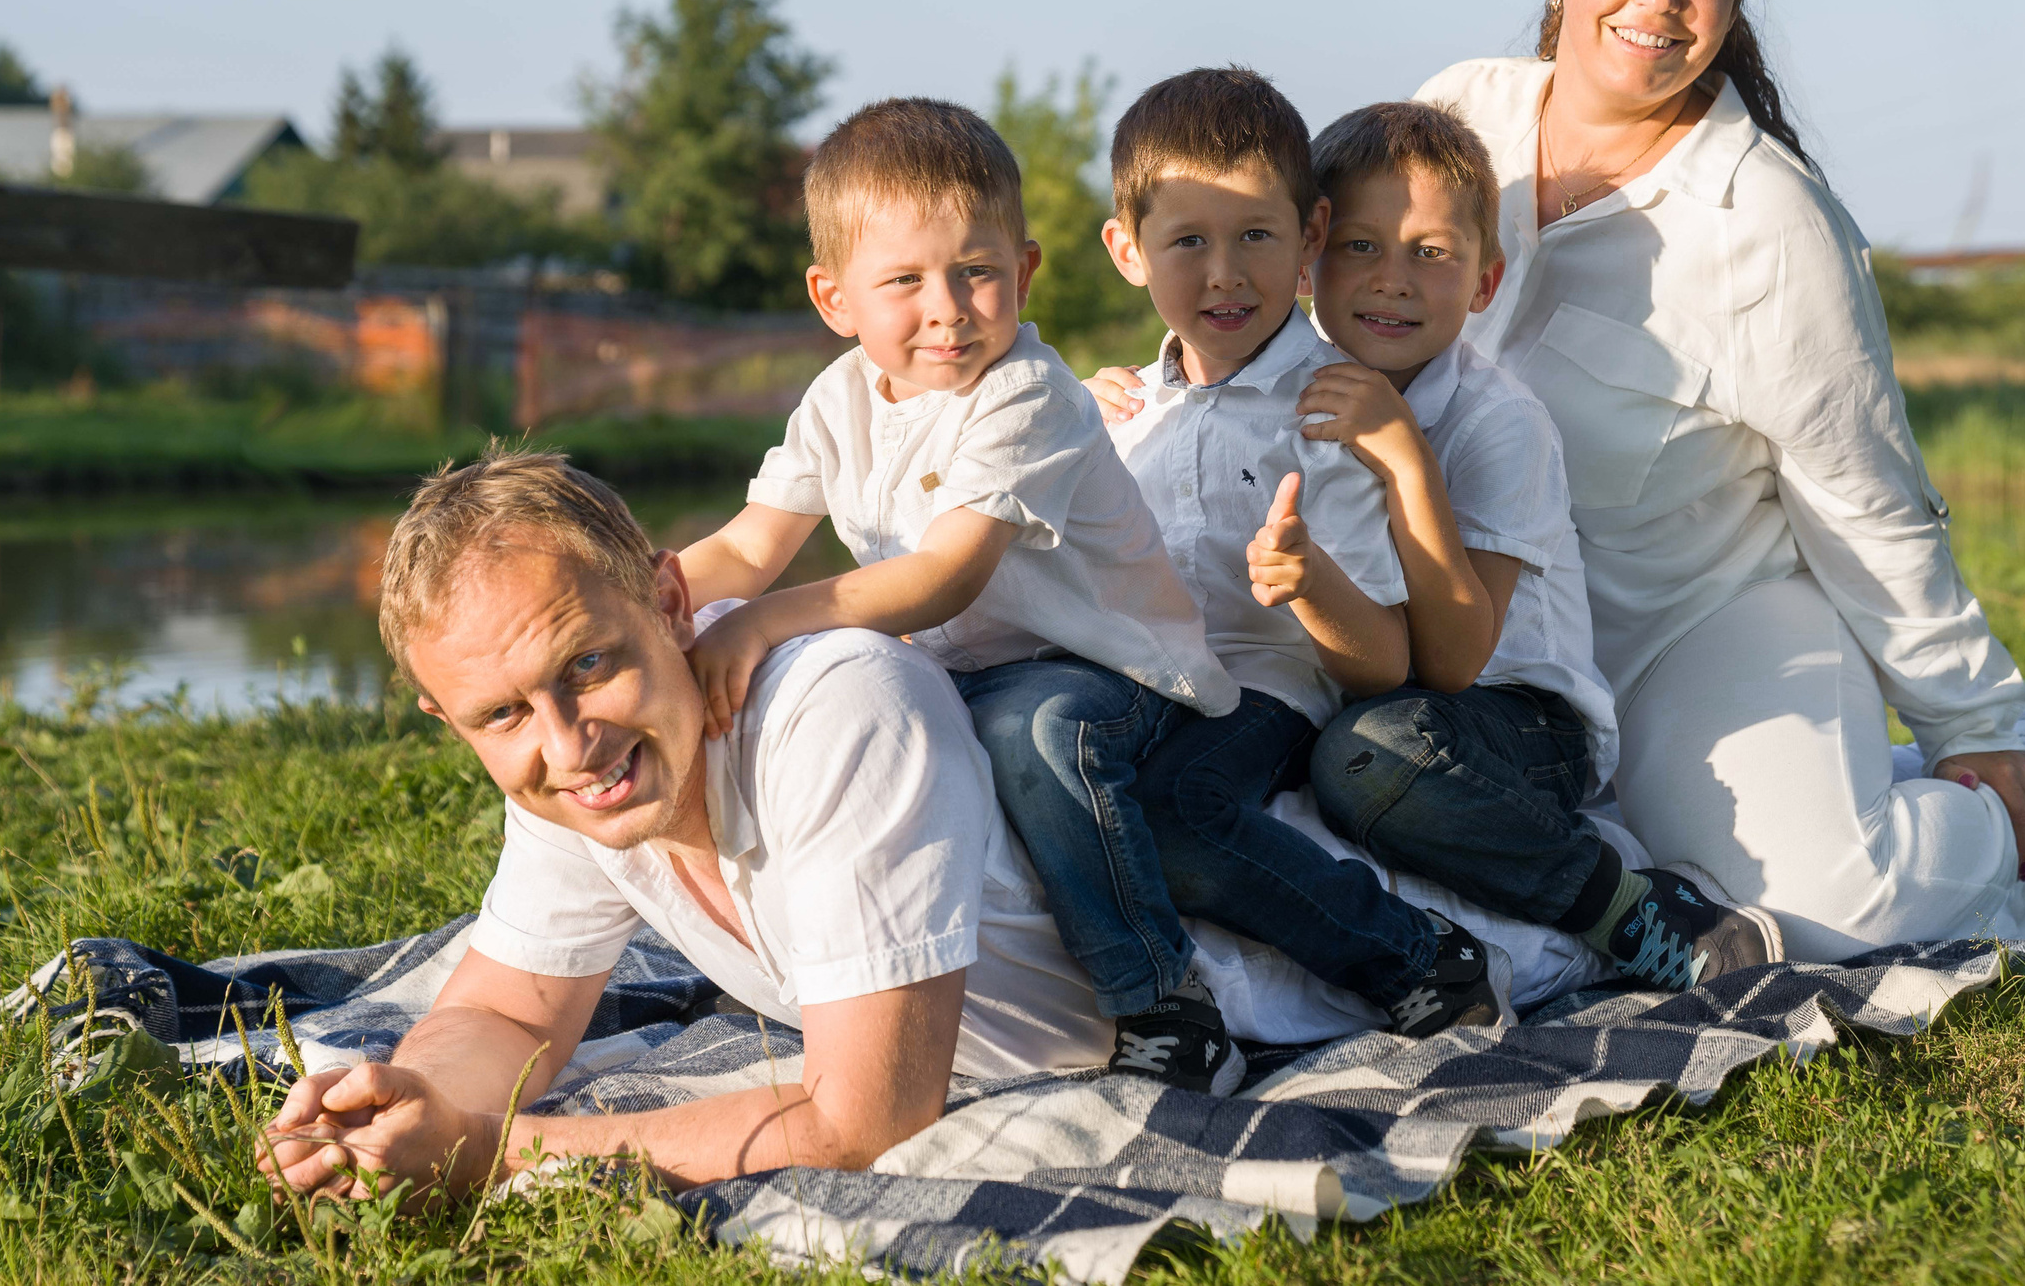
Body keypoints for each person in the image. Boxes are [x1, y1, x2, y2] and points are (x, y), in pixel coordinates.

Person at [1414, 0, 2025, 963]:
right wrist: (1172, 384)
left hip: (1694, 627)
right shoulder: (1455, 117)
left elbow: (1864, 493)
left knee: (1826, 909)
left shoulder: (1772, 226)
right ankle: (1904, 778)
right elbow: (1316, 295)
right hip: (1482, 640)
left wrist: (1973, 725)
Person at [259, 450, 1115, 1203]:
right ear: (452, 722)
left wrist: (485, 1148)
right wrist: (392, 1111)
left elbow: (866, 1122)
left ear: (670, 603)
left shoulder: (841, 708)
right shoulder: (581, 773)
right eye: (502, 713)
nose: (567, 744)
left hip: (1180, 1026)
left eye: (587, 663)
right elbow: (510, 1011)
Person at [673, 98, 1253, 1094]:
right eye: (902, 281)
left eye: (973, 273)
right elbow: (748, 544)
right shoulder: (839, 397)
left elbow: (947, 577)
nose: (945, 307)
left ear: (1021, 272)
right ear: (834, 298)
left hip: (1106, 671)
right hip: (965, 670)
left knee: (1029, 739)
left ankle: (1161, 998)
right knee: (793, 708)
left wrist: (766, 620)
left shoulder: (1026, 394)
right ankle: (812, 958)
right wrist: (639, 602)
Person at [1291, 101, 1781, 988]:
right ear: (1307, 259)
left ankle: (1626, 907)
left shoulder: (1499, 423)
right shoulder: (1292, 383)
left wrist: (1407, 455)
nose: (1392, 278)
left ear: (1484, 282)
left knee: (1366, 758)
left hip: (1517, 719)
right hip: (1371, 685)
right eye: (1361, 245)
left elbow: (1452, 658)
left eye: (1431, 253)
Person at [1095, 67, 1505, 1038]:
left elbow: (1386, 668)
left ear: (1309, 238)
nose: (1224, 274)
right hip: (1145, 686)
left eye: (1256, 239)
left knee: (1174, 816)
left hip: (1264, 694)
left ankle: (1416, 955)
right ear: (1126, 250)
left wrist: (1308, 579)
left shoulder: (1334, 408)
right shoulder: (1119, 411)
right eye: (1187, 242)